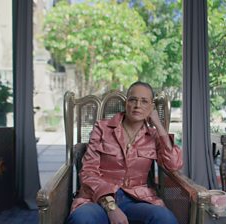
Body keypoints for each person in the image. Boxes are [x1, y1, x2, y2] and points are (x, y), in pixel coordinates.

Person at [67, 81, 183, 224]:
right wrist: (111, 206)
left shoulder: (154, 135)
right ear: (126, 103)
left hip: (137, 199)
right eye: (133, 100)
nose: (137, 105)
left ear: (151, 107)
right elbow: (88, 171)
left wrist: (159, 125)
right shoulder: (102, 128)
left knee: (165, 219)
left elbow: (174, 164)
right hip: (98, 198)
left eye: (144, 101)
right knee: (82, 218)